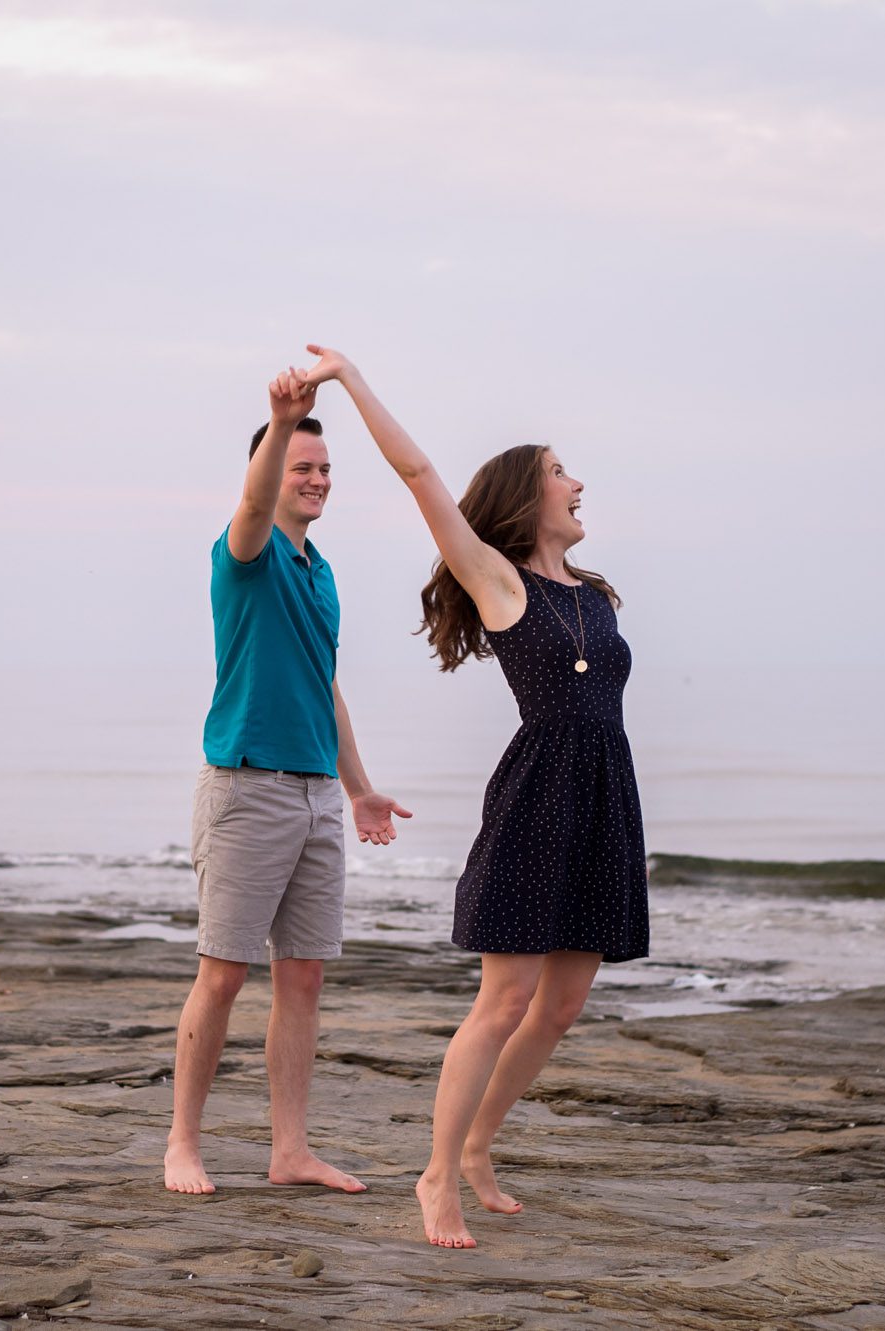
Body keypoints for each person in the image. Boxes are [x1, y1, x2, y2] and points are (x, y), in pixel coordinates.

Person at [298, 345, 650, 1248]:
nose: (578, 483)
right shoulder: (500, 581)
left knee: (564, 1003)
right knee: (504, 999)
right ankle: (433, 1175)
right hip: (539, 798)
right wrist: (350, 380)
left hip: (605, 795)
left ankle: (479, 1149)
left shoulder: (596, 597)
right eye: (560, 472)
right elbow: (418, 474)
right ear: (527, 499)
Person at [164, 367, 413, 1197]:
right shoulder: (246, 552)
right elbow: (251, 501)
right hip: (245, 787)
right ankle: (183, 1145)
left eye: (326, 470)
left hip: (313, 793)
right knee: (224, 971)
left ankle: (290, 1150)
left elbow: (323, 681)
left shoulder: (322, 572)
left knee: (302, 975)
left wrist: (359, 786)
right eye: (302, 468)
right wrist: (280, 424)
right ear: (272, 471)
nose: (316, 481)